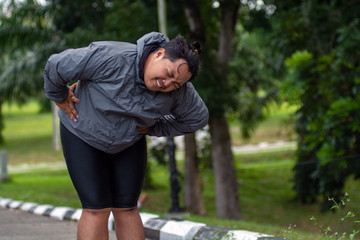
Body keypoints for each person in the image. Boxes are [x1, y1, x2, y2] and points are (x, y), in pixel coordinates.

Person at [43, 32, 208, 240]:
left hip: (129, 142)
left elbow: (197, 118)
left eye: (175, 83)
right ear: (159, 53)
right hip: (83, 134)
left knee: (127, 208)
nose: (167, 83)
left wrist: (153, 128)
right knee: (96, 208)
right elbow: (56, 65)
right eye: (167, 73)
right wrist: (60, 96)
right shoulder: (111, 56)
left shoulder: (178, 91)